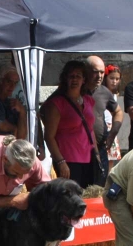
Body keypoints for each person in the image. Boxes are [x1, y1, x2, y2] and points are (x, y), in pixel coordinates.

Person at [41, 60, 97, 189]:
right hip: (68, 159)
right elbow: (49, 136)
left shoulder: (89, 101)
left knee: (89, 197)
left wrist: (97, 154)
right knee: (70, 198)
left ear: (84, 79)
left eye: (78, 76)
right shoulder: (57, 103)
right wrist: (60, 162)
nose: (75, 79)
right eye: (71, 76)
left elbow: (90, 129)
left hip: (89, 158)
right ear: (65, 78)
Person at [85, 56, 123, 185]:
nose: (100, 76)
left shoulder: (104, 92)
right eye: (96, 72)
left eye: (102, 72)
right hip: (79, 149)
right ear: (87, 71)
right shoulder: (76, 90)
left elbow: (118, 112)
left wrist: (113, 133)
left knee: (100, 185)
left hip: (101, 148)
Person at [0, 64, 27, 139]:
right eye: (9, 81)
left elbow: (21, 136)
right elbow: (1, 125)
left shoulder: (12, 103)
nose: (12, 86)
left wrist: (22, 112)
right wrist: (14, 128)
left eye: (15, 83)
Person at [102, 64, 123, 169]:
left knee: (111, 159)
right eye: (111, 78)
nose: (114, 81)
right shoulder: (101, 92)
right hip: (103, 124)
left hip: (112, 126)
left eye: (117, 79)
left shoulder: (115, 94)